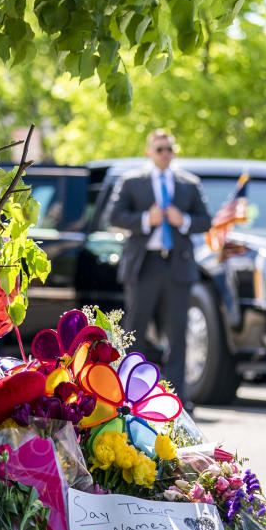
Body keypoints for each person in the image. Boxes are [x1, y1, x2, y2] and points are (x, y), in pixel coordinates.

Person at [106, 129, 212, 409]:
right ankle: (130, 395)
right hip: (145, 265)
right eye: (160, 149)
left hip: (177, 265)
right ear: (149, 152)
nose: (165, 154)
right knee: (135, 331)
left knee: (178, 332)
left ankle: (178, 398)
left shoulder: (188, 183)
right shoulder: (132, 181)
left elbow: (205, 221)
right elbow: (113, 216)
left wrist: (184, 220)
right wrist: (145, 218)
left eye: (169, 149)